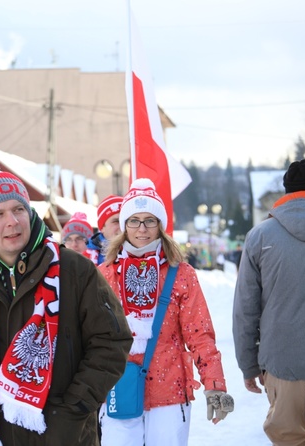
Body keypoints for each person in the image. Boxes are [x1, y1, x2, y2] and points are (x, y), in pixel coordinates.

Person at [0, 154, 133, 446]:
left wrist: (72, 412)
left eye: (18, 209)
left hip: (66, 436)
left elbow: (111, 342)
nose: (12, 221)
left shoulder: (75, 271)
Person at [98, 178, 233, 446]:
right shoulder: (103, 275)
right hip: (117, 388)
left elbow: (199, 334)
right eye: (134, 220)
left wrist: (214, 383)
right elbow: (90, 336)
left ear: (161, 225)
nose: (142, 228)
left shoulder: (182, 274)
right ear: (124, 226)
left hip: (170, 392)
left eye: (150, 220)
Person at [233, 158, 305, 446]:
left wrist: (248, 364)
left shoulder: (259, 236)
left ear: (286, 190)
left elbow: (246, 308)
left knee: (287, 440)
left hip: (280, 361)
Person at [85, 195, 123, 265]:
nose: (122, 226)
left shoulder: (139, 252)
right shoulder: (85, 259)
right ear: (102, 227)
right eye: (116, 221)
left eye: (125, 221)